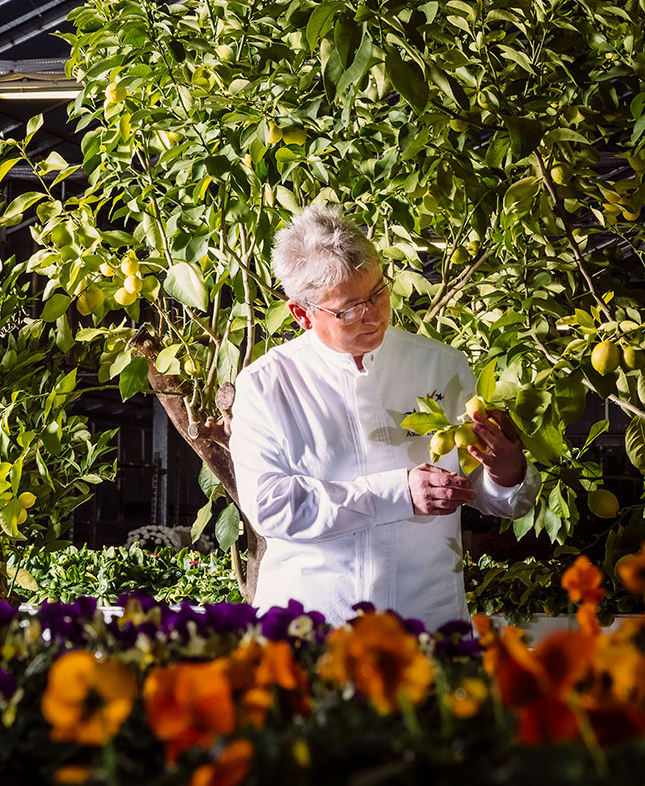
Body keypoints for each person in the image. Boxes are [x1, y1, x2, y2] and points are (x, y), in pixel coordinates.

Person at [228, 205, 539, 629]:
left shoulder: (441, 366)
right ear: (302, 314)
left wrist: (507, 473)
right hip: (313, 628)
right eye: (349, 309)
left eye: (377, 293)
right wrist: (399, 492)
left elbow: (486, 495)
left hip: (427, 623)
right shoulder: (266, 385)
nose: (373, 315)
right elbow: (272, 506)